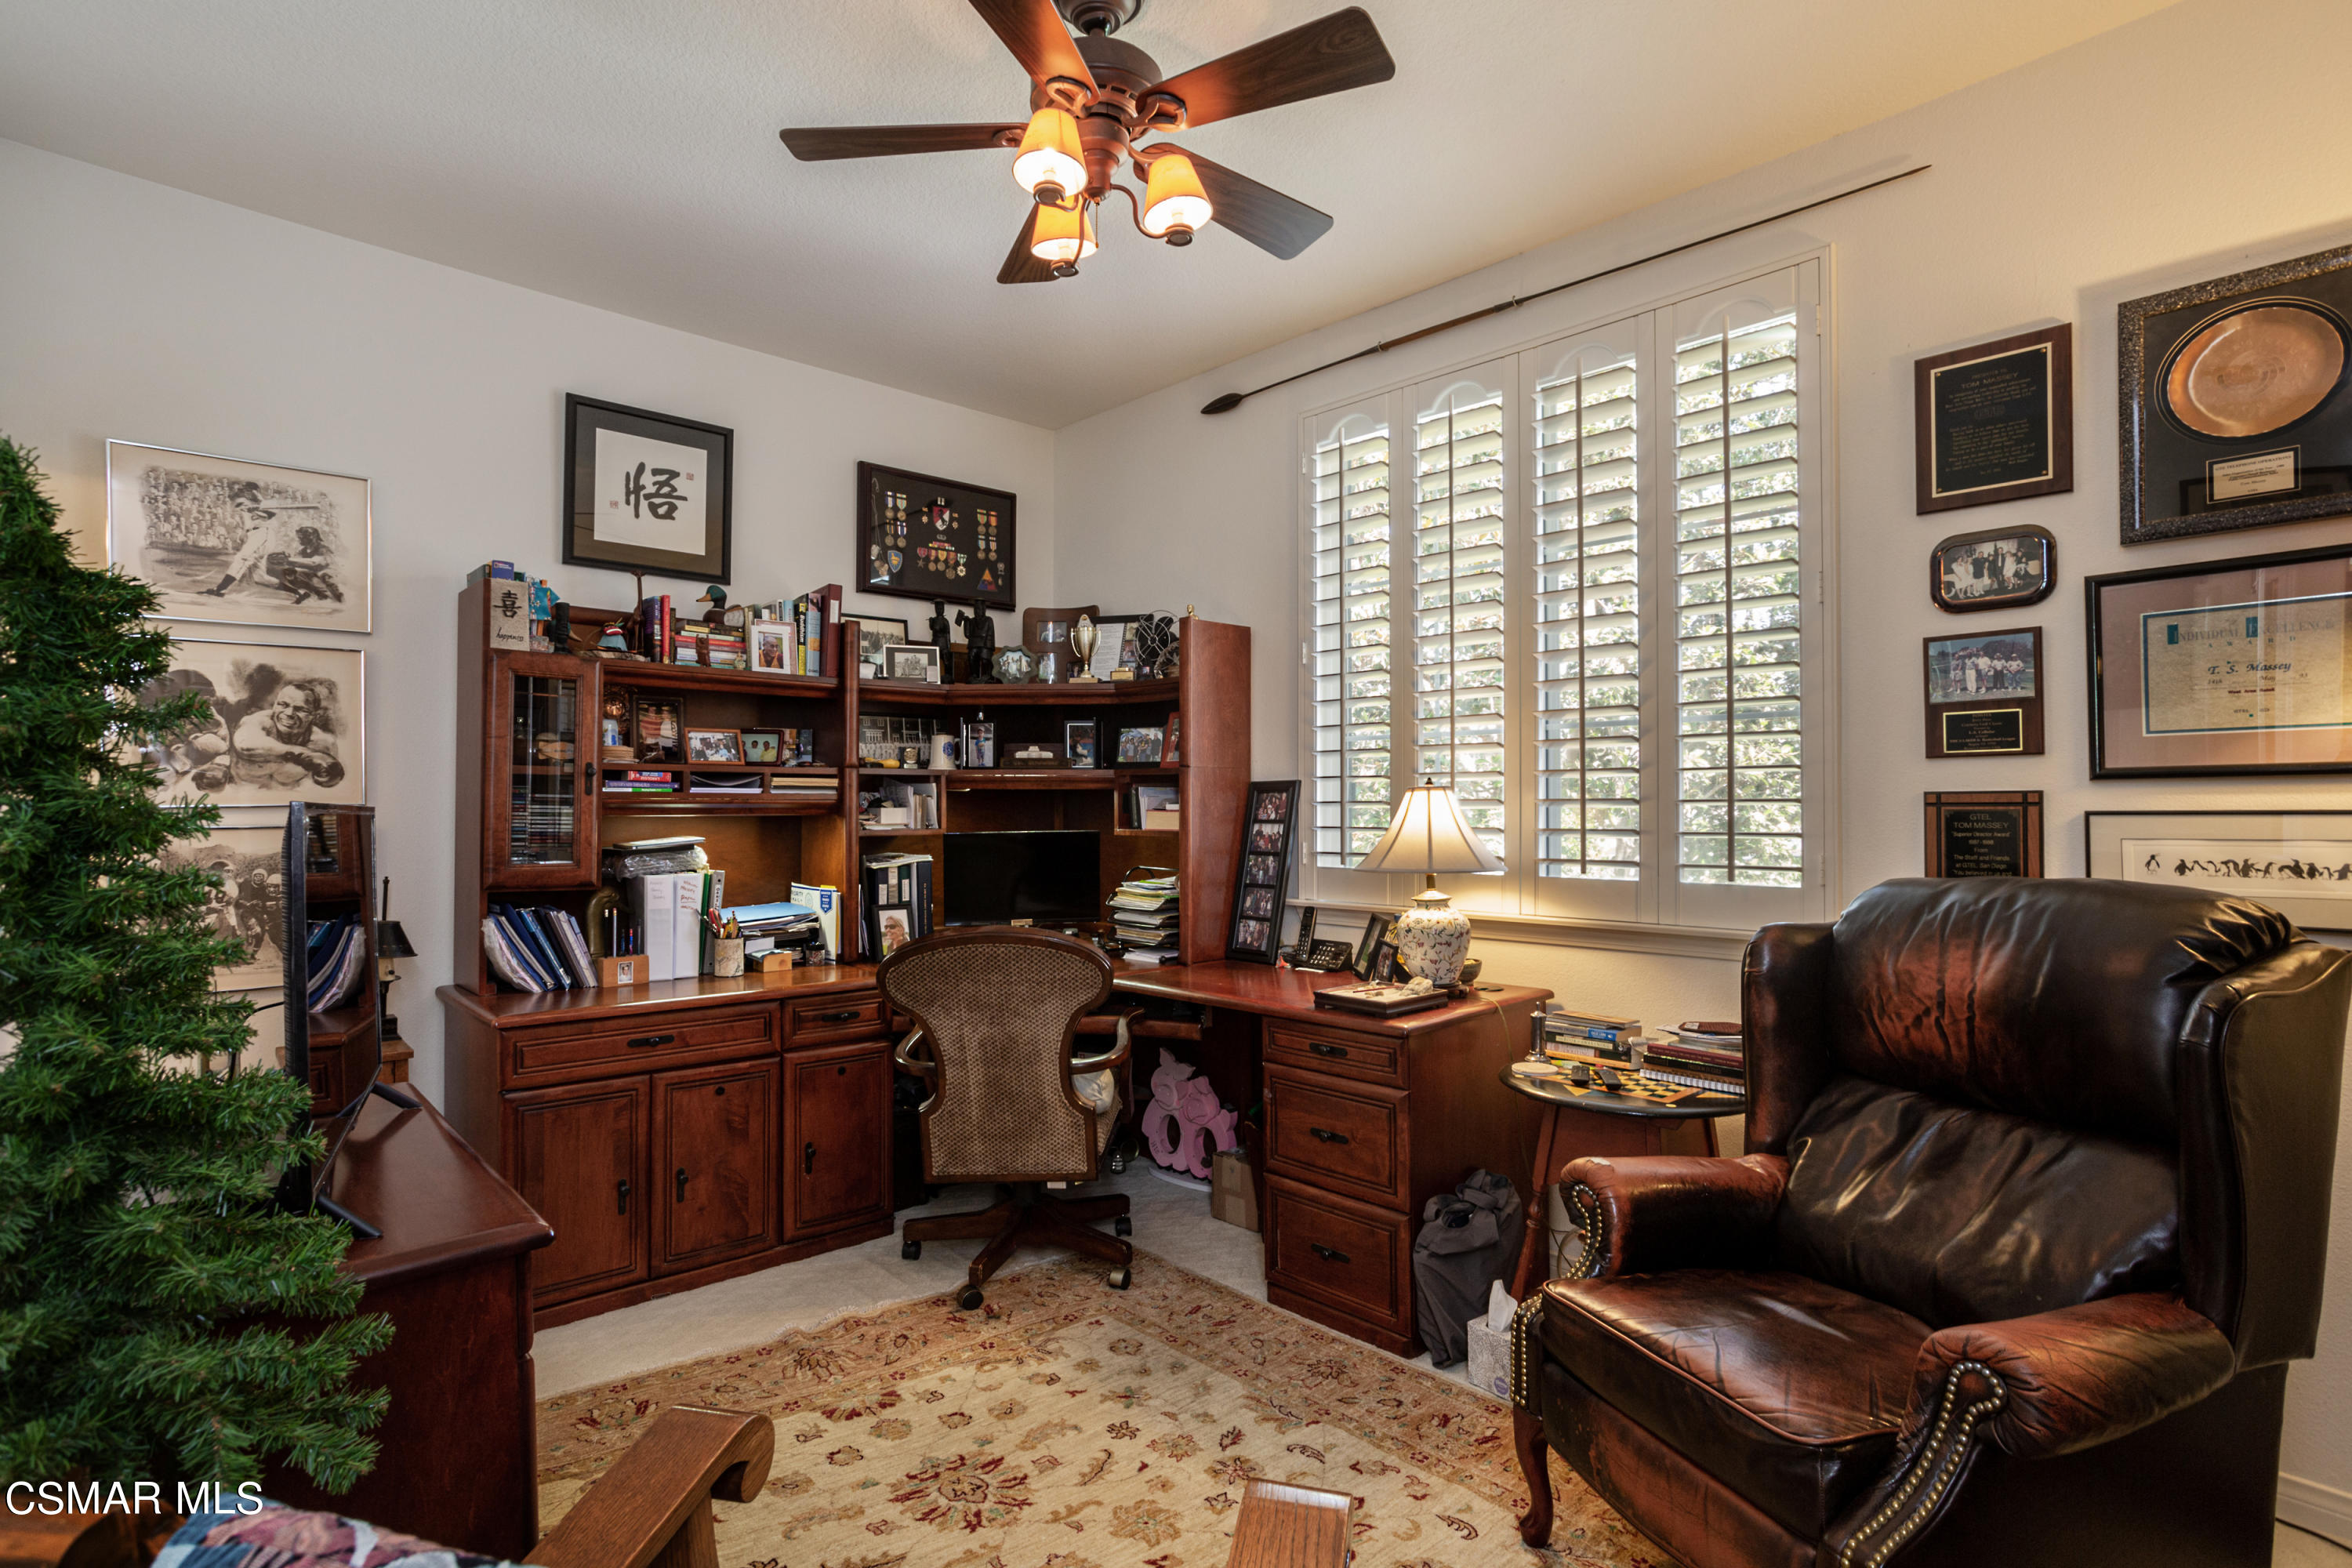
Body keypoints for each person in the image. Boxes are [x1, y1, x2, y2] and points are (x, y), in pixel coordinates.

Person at [230, 680, 344, 789]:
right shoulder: (258, 721)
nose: (289, 713)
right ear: (275, 705)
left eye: (301, 709)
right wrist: (302, 754)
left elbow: (327, 786)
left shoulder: (323, 743)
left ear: (314, 715)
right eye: (283, 705)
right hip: (242, 796)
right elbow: (245, 745)